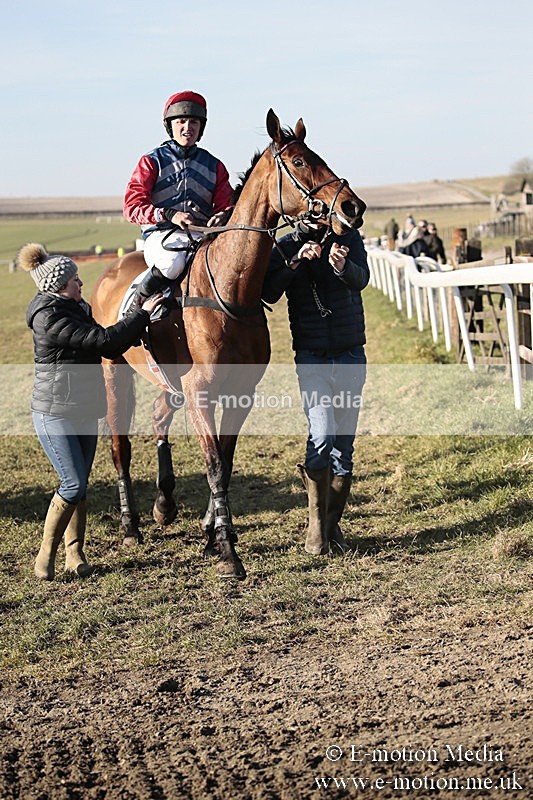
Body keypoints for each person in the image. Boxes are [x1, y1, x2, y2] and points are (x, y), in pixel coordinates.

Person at [19, 242, 164, 580]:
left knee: (80, 486)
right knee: (72, 484)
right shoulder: (49, 318)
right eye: (75, 281)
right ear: (58, 286)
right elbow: (104, 342)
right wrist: (140, 313)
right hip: (55, 413)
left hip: (83, 408)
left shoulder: (77, 308)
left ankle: (75, 554)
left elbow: (111, 337)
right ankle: (45, 555)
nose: (81, 284)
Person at [262, 222, 369, 556]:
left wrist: (341, 266)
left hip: (351, 352)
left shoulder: (347, 237)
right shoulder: (285, 245)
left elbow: (362, 278)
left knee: (344, 447)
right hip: (311, 356)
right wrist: (294, 262)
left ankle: (329, 525)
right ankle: (315, 526)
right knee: (321, 434)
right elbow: (269, 292)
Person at [123, 90, 234, 308]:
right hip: (161, 234)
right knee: (172, 265)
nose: (187, 127)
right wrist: (168, 214)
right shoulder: (151, 161)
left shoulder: (215, 165)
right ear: (170, 125)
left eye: (194, 122)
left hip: (201, 236)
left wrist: (223, 215)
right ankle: (137, 308)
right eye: (181, 121)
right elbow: (132, 206)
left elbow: (227, 204)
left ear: (201, 127)